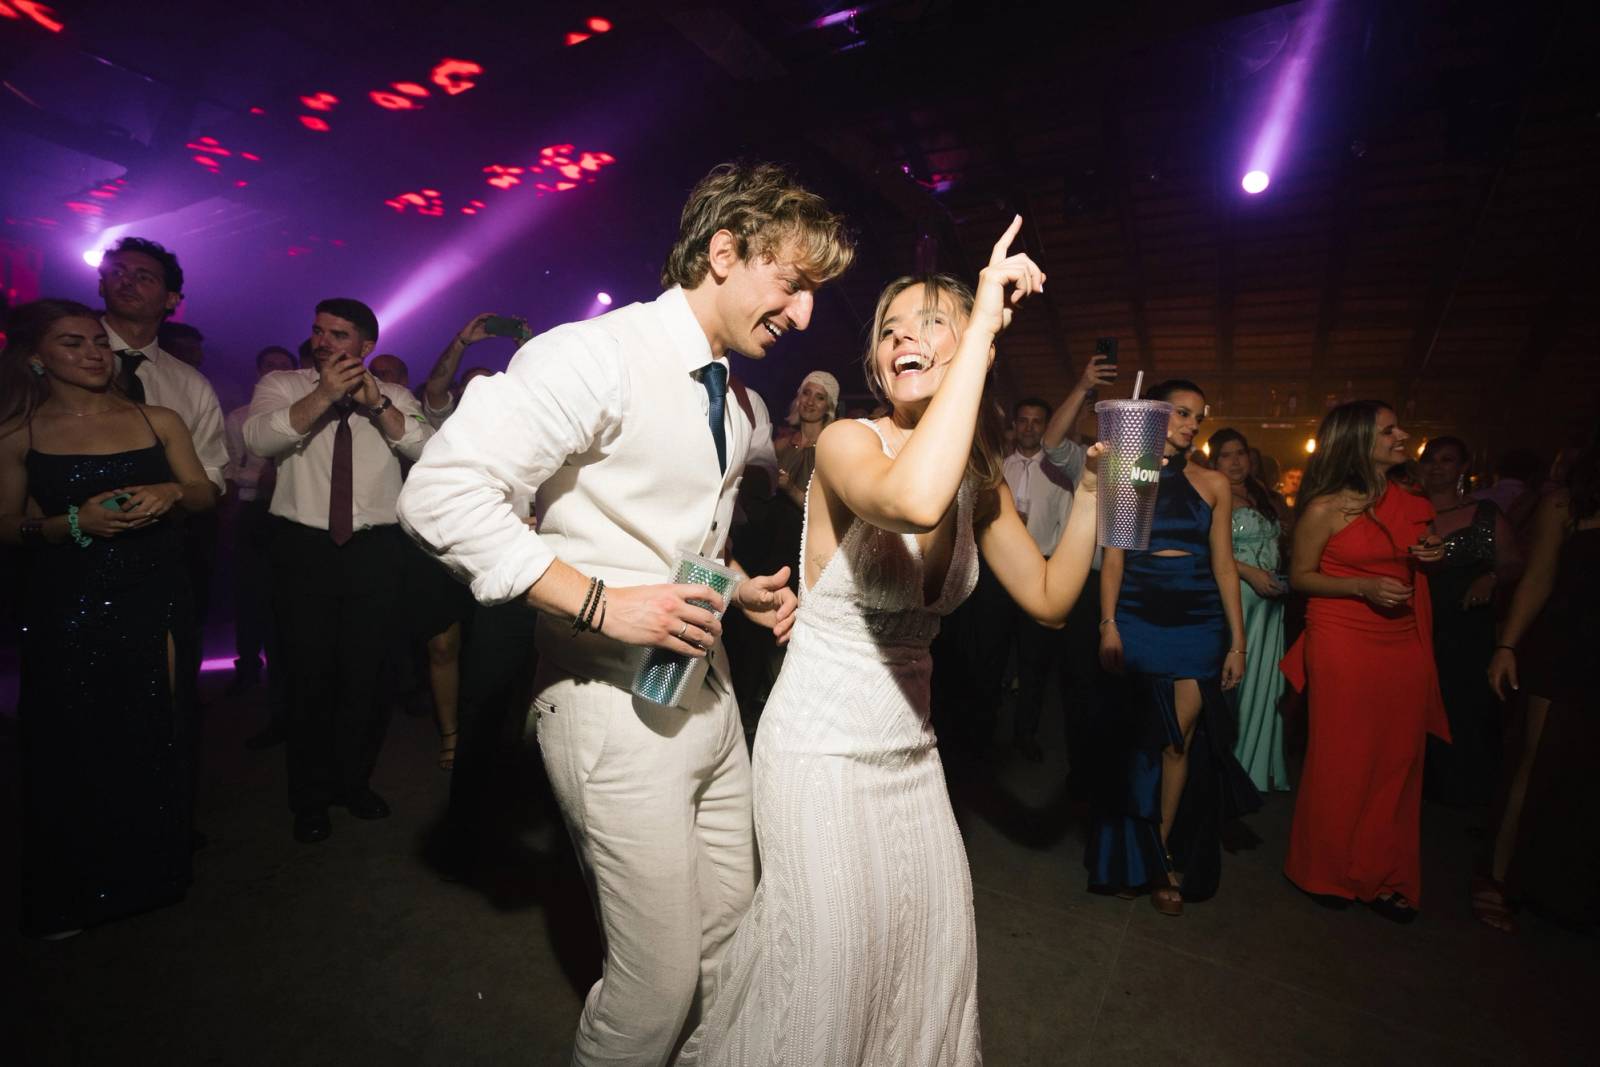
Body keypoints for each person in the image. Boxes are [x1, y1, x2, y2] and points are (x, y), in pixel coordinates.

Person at [397, 161, 852, 1064]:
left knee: (729, 950)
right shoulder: (594, 355)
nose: (804, 315)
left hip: (705, 692)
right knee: (654, 989)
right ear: (724, 252)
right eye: (793, 285)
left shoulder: (725, 386)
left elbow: (658, 529)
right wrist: (605, 603)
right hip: (605, 705)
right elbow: (440, 494)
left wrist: (733, 582)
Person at [685, 221, 1103, 1066]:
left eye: (930, 320)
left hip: (912, 755)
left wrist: (1095, 488)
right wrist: (980, 326)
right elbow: (912, 500)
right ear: (878, 366)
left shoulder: (981, 487)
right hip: (819, 753)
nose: (903, 334)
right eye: (889, 329)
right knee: (825, 973)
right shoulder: (850, 443)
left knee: (923, 960)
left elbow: (1055, 600)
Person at [0, 298, 217, 939]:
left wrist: (175, 491)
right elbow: (5, 526)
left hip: (157, 588)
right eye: (73, 343)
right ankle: (71, 893)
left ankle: (151, 875)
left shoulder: (157, 418)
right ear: (37, 358)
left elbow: (205, 491)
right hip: (68, 599)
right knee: (72, 739)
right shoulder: (20, 433)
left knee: (156, 727)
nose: (93, 352)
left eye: (98, 341)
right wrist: (74, 523)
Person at [243, 298, 432, 843]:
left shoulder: (392, 393)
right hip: (303, 549)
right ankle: (309, 798)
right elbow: (259, 439)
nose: (324, 341)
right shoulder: (284, 384)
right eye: (319, 330)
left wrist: (376, 407)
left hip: (376, 551)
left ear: (366, 346)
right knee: (307, 678)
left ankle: (354, 783)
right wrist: (323, 394)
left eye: (339, 333)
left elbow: (426, 448)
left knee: (368, 678)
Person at [1089, 380, 1258, 916]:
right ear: (1154, 416)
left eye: (1197, 417)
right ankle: (1128, 857)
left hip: (1198, 619)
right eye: (1182, 414)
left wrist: (1238, 642)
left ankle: (1159, 856)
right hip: (1137, 613)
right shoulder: (1129, 473)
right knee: (1136, 743)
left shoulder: (1213, 483)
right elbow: (1113, 559)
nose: (1191, 424)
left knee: (1176, 744)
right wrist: (1108, 624)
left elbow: (1225, 565)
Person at [1280, 400, 1448, 923]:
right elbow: (1301, 577)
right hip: (1342, 637)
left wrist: (1433, 556)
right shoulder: (1326, 508)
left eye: (1399, 426)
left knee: (1398, 760)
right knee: (1341, 756)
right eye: (1389, 430)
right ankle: (1325, 868)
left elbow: (1417, 556)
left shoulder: (1412, 500)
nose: (1402, 436)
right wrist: (1361, 586)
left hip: (1402, 642)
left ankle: (1383, 873)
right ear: (1358, 442)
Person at [1479, 427, 1600, 932]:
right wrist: (1507, 645)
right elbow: (1538, 578)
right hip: (1567, 646)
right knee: (1536, 760)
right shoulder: (1566, 506)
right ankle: (1499, 880)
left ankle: (1570, 887)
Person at [1001, 352, 1113, 764]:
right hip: (1003, 571)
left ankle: (1049, 742)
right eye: (1024, 421)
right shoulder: (1003, 467)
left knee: (1049, 666)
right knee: (1004, 659)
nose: (1031, 428)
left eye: (1038, 420)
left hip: (1057, 571)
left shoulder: (1079, 465)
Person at [1417, 436, 1518, 807]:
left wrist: (1489, 578)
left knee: (1462, 705)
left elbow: (1512, 563)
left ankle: (1460, 793)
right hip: (1413, 620)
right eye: (1430, 459)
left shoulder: (1485, 514)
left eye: (1447, 460)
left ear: (1463, 468)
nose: (1437, 467)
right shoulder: (1404, 510)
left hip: (1464, 626)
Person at [1209, 427, 1290, 792]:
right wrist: (1251, 573)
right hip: (1236, 597)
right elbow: (1210, 550)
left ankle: (1254, 764)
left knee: (1266, 682)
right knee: (1234, 682)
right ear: (1214, 460)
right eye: (1226, 454)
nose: (1236, 460)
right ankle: (1226, 766)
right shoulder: (1211, 493)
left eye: (1240, 452)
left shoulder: (1263, 495)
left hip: (1270, 604)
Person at [225, 345, 298, 748]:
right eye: (269, 365)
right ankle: (251, 670)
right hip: (255, 512)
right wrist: (258, 476)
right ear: (259, 370)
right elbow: (227, 468)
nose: (276, 371)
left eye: (283, 367)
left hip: (292, 516)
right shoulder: (240, 418)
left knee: (291, 609)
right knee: (254, 599)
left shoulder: (303, 415)